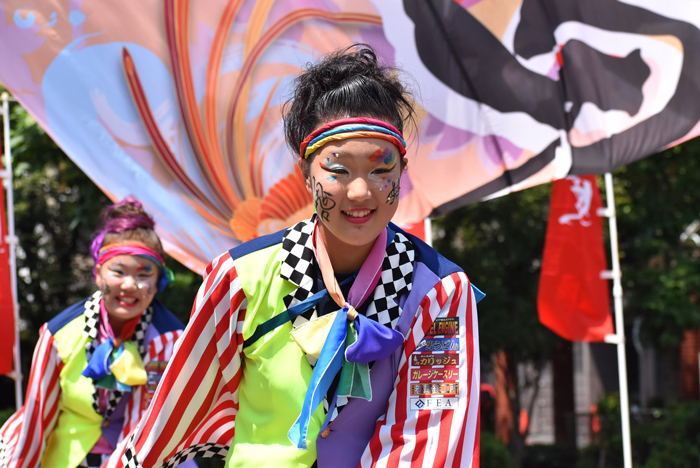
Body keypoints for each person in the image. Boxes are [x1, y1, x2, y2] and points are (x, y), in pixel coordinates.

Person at [107, 44, 481, 468]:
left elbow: (430, 438)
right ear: (306, 173)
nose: (360, 192)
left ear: (402, 170)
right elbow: (174, 418)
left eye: (381, 170)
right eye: (337, 170)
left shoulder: (440, 291)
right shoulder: (238, 279)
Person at [0, 199, 188, 468]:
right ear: (98, 274)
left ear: (158, 282)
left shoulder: (171, 340)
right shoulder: (58, 334)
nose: (130, 285)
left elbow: (151, 426)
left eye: (144, 274)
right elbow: (37, 416)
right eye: (118, 271)